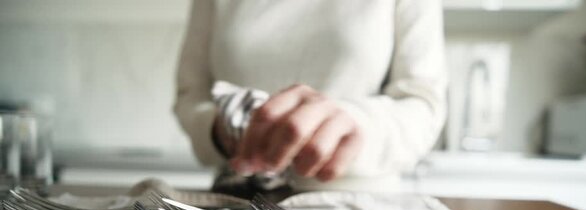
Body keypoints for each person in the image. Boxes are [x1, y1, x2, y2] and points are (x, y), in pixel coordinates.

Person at [174, 0, 446, 191]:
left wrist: (354, 124)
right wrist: (222, 128)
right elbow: (190, 95)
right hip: (238, 205)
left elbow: (423, 103)